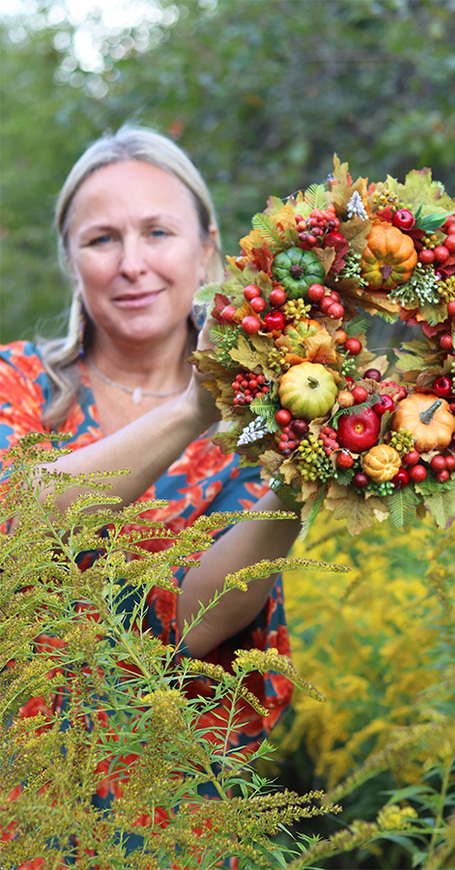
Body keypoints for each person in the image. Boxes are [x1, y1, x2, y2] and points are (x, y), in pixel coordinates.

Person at [0, 125, 301, 860]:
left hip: (168, 798)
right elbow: (16, 528)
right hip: (21, 784)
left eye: (158, 232)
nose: (132, 264)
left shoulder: (269, 407)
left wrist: (306, 471)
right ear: (71, 260)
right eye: (102, 239)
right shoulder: (19, 384)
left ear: (206, 249)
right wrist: (195, 408)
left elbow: (194, 624)